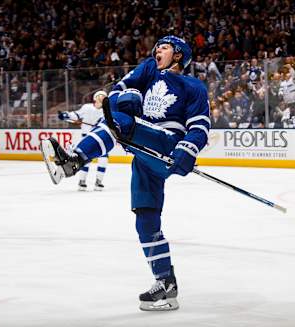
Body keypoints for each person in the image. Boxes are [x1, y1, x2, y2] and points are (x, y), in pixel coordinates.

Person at [43, 36, 210, 311]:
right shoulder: (149, 70)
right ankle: (166, 285)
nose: (158, 50)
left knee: (119, 122)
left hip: (166, 143)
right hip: (143, 154)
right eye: (157, 46)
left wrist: (188, 149)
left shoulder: (192, 86)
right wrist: (124, 97)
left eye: (165, 47)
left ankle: (74, 160)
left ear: (179, 55)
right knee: (146, 219)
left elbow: (200, 126)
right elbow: (119, 90)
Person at [58, 90, 109, 191]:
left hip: (100, 139)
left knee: (103, 160)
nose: (101, 99)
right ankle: (82, 181)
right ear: (95, 98)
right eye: (100, 96)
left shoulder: (106, 112)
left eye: (104, 98)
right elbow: (76, 115)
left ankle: (98, 182)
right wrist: (66, 115)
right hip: (86, 138)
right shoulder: (87, 107)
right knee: (85, 160)